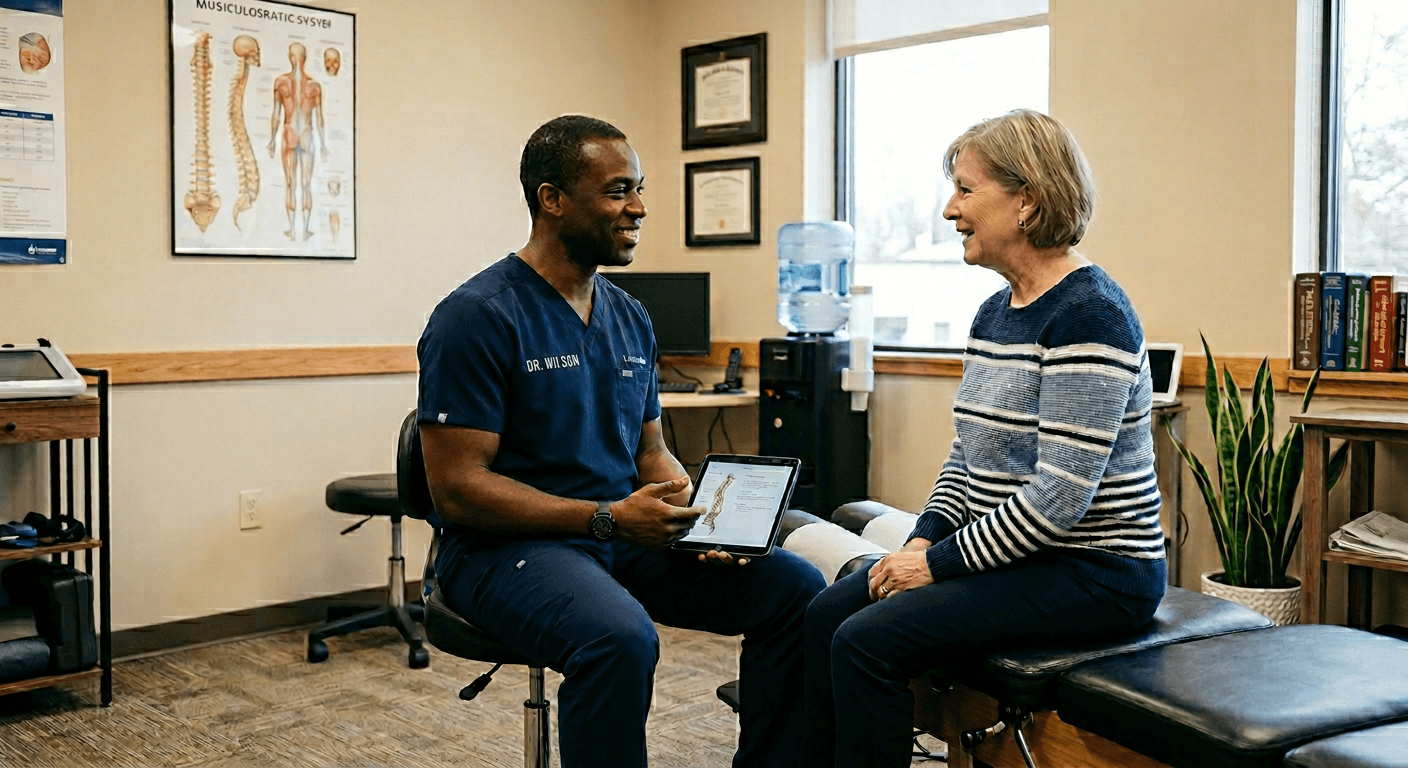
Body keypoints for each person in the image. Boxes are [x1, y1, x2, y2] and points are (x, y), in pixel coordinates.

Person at [417, 115, 825, 768]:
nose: (637, 207)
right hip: (503, 552)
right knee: (618, 638)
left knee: (797, 591)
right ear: (551, 199)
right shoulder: (478, 317)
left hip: (620, 534)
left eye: (637, 189)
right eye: (616, 191)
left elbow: (649, 452)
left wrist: (696, 512)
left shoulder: (629, 317)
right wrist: (605, 517)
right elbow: (458, 487)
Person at [803, 109, 1167, 767]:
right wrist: (923, 535)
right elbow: (966, 453)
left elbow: (1058, 500)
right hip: (1026, 560)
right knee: (825, 615)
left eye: (966, 190)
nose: (950, 210)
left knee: (867, 640)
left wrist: (934, 565)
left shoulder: (1089, 313)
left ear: (1026, 199)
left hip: (1099, 573)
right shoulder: (996, 312)